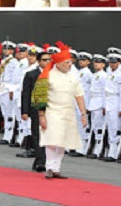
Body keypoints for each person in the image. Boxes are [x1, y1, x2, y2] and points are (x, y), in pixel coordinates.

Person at [33, 41, 87, 179]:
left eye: (70, 63)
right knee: (52, 140)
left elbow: (79, 95)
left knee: (63, 141)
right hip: (52, 112)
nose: (70, 65)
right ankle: (49, 167)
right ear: (58, 63)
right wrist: (41, 116)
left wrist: (83, 113)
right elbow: (39, 97)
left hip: (68, 112)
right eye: (67, 63)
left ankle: (57, 168)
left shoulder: (73, 76)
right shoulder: (48, 76)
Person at [20, 50, 51, 171]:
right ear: (38, 61)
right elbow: (26, 94)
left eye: (49, 60)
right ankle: (41, 160)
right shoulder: (31, 74)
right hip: (36, 109)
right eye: (44, 60)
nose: (47, 62)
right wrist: (25, 111)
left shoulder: (55, 74)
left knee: (49, 136)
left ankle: (42, 160)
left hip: (51, 109)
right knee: (37, 135)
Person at [87, 54, 108, 158]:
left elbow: (105, 92)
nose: (96, 64)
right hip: (94, 102)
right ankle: (94, 146)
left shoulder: (104, 76)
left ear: (103, 64)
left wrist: (104, 106)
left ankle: (99, 149)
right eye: (95, 62)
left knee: (100, 127)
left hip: (100, 102)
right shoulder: (94, 75)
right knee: (95, 126)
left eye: (99, 62)